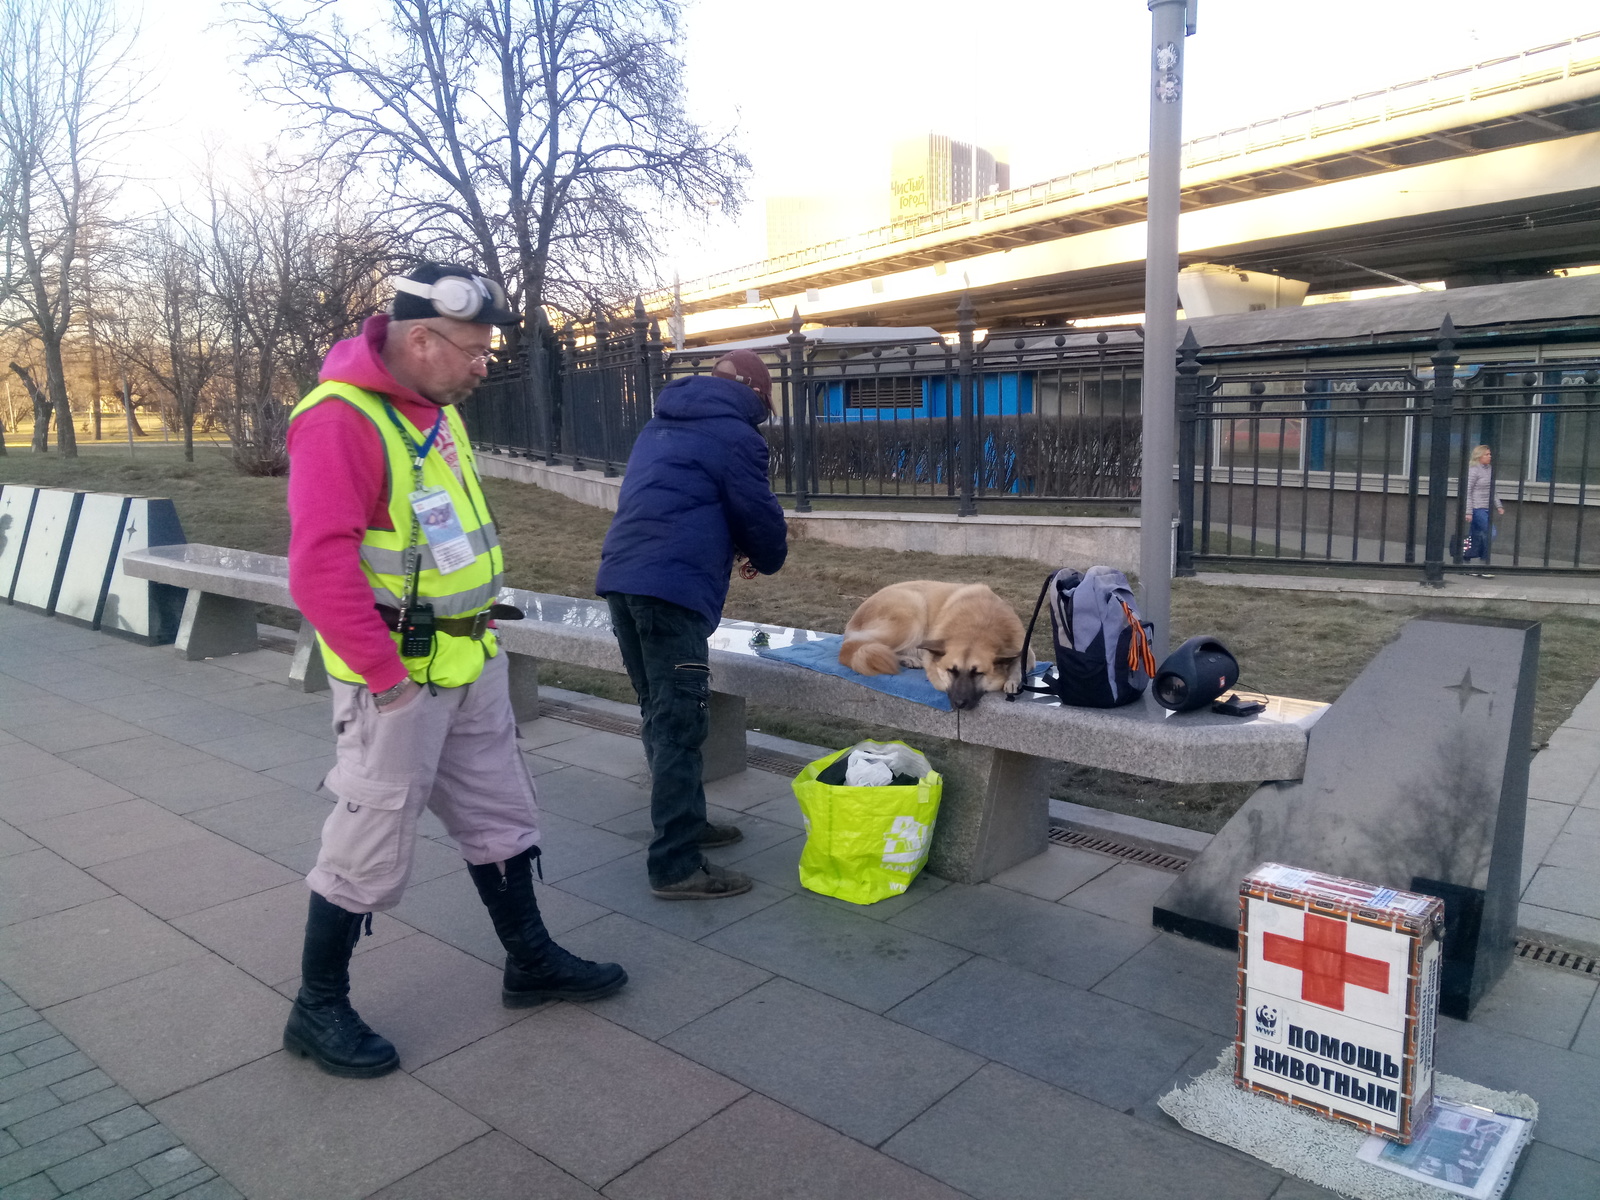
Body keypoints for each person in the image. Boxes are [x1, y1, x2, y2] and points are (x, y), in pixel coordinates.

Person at [282, 263, 626, 1079]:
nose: (482, 366)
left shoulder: (434, 413)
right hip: (396, 677)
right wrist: (385, 680)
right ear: (421, 338)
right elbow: (317, 567)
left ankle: (530, 959)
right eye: (471, 350)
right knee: (367, 835)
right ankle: (316, 1006)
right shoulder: (341, 420)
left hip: (470, 656)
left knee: (501, 815)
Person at [596, 349, 788, 899]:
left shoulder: (659, 423)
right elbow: (758, 515)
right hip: (671, 592)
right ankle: (676, 864)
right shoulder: (738, 436)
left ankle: (689, 823)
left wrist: (732, 545)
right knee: (681, 721)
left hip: (623, 579)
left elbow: (683, 505)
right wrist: (763, 553)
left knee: (659, 709)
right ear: (754, 394)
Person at [1464, 444, 1503, 576]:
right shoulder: (1474, 470)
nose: (1489, 456)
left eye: (1490, 454)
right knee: (1491, 533)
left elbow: (1492, 489)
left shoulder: (1489, 469)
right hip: (1476, 508)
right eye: (1487, 454)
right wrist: (1468, 511)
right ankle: (1484, 562)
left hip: (1486, 508)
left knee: (1473, 536)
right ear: (1479, 456)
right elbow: (1467, 491)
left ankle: (1464, 562)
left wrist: (1498, 505)